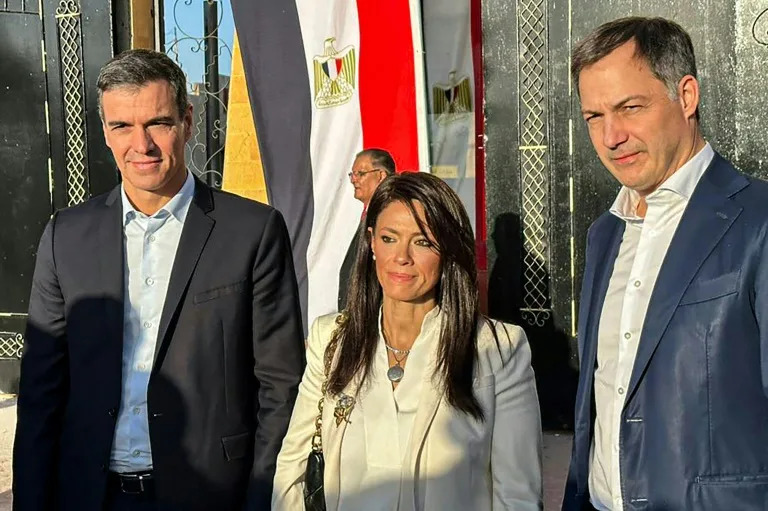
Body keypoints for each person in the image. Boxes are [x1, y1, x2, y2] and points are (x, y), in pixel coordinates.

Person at [13, 49, 306, 511]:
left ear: (187, 121)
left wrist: (262, 497)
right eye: (122, 126)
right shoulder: (65, 236)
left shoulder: (252, 231)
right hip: (88, 493)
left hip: (209, 493)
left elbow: (279, 382)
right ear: (105, 131)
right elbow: (40, 392)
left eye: (158, 123)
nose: (141, 145)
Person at [563, 17, 768, 511]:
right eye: (594, 117)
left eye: (630, 107)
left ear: (687, 95)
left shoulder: (758, 222)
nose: (611, 136)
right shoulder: (604, 234)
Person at [274, 172, 543, 510]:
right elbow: (293, 468)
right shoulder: (331, 340)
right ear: (371, 242)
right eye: (389, 238)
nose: (402, 257)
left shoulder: (498, 349)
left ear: (447, 250)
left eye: (422, 242)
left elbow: (518, 493)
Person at [338, 148, 395, 311]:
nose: (353, 180)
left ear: (381, 175)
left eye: (361, 173)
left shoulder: (388, 214)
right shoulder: (369, 213)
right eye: (352, 174)